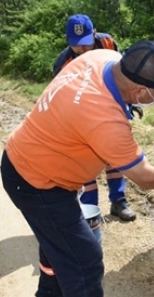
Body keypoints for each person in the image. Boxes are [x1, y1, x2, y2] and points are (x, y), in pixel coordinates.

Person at [0, 40, 154, 297]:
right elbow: (147, 178)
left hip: (26, 158)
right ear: (140, 89)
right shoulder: (103, 117)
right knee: (85, 262)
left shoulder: (100, 58)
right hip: (37, 184)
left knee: (60, 252)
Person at [54, 14, 137, 222]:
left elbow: (123, 73)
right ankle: (89, 207)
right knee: (87, 159)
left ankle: (119, 201)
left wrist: (130, 102)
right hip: (81, 113)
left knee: (114, 155)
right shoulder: (63, 64)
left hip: (110, 104)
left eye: (85, 44)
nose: (82, 50)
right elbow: (59, 99)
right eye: (76, 46)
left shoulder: (108, 43)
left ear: (94, 33)